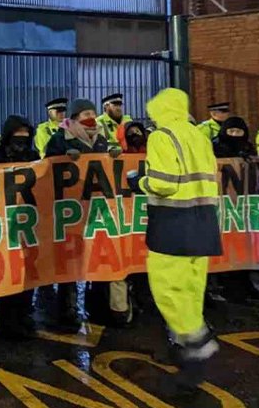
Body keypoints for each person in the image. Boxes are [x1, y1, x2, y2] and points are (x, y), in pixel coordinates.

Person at [127, 88, 222, 389]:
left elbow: (164, 183)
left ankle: (197, 340)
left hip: (173, 223)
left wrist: (137, 181)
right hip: (203, 220)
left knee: (167, 288)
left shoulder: (162, 136)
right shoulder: (199, 135)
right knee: (192, 288)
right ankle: (186, 349)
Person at [45, 99, 122, 328]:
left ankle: (96, 306)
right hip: (71, 205)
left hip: (96, 205)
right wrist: (63, 158)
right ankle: (67, 310)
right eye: (86, 113)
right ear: (76, 116)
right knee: (70, 257)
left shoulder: (100, 137)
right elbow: (47, 163)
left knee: (98, 254)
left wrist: (113, 154)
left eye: (93, 112)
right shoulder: (61, 137)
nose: (91, 116)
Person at [0, 116, 40, 338]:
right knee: (8, 270)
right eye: (17, 133)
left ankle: (25, 314)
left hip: (28, 219)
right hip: (4, 220)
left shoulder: (33, 155)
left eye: (26, 133)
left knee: (29, 269)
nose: (22, 137)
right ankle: (6, 320)